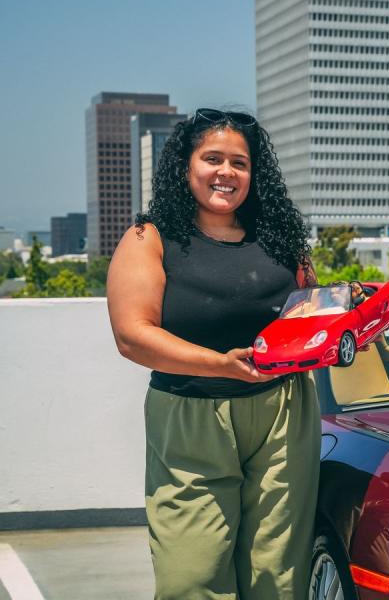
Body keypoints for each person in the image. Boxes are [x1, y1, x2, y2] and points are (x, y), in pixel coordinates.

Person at [106, 108, 321, 600]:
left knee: (277, 573)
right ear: (186, 166)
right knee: (192, 575)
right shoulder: (150, 238)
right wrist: (219, 364)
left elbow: (308, 314)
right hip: (190, 415)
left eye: (240, 163)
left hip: (283, 412)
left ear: (254, 174)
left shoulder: (282, 240)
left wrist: (346, 321)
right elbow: (132, 335)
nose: (226, 172)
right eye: (213, 158)